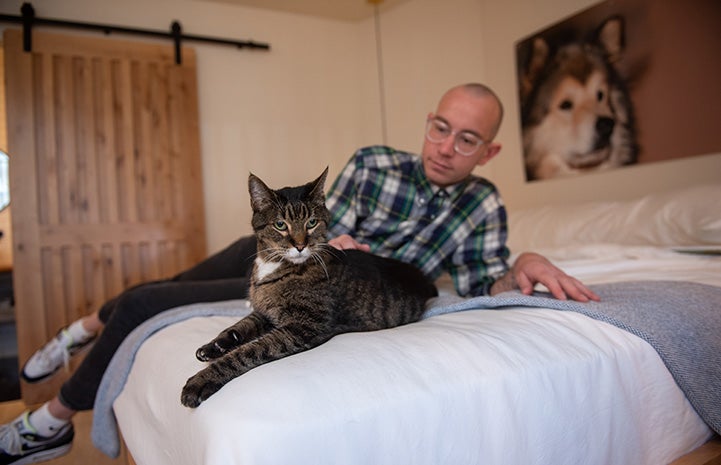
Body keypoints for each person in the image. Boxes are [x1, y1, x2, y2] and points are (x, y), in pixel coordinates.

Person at [0, 83, 599, 465]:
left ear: (488, 152)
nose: (445, 147)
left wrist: (524, 263)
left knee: (145, 303)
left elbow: (477, 281)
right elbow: (325, 221)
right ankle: (79, 330)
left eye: (466, 140)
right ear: (428, 121)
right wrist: (326, 239)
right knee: (148, 294)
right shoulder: (374, 163)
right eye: (440, 128)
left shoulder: (483, 206)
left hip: (322, 275)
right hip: (284, 250)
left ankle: (52, 422)